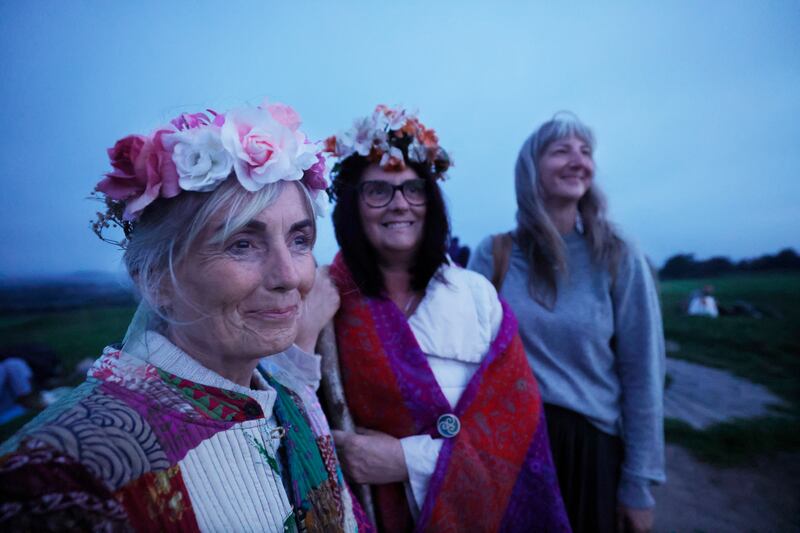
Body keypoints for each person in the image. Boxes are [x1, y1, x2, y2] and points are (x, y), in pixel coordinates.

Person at [0, 101, 369, 532]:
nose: (289, 275)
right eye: (241, 244)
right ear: (155, 279)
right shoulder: (61, 476)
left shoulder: (293, 398)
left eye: (300, 239)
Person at [321, 105, 570, 532]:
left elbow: (515, 437)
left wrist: (406, 461)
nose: (399, 204)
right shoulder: (327, 298)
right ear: (352, 206)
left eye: (413, 189)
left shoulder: (476, 297)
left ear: (431, 202)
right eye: (378, 191)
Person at [468, 113, 666, 533]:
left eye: (586, 152)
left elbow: (643, 372)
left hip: (588, 451)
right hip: (509, 448)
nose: (579, 161)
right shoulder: (495, 254)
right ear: (530, 170)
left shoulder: (616, 254)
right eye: (562, 151)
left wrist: (638, 485)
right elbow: (466, 359)